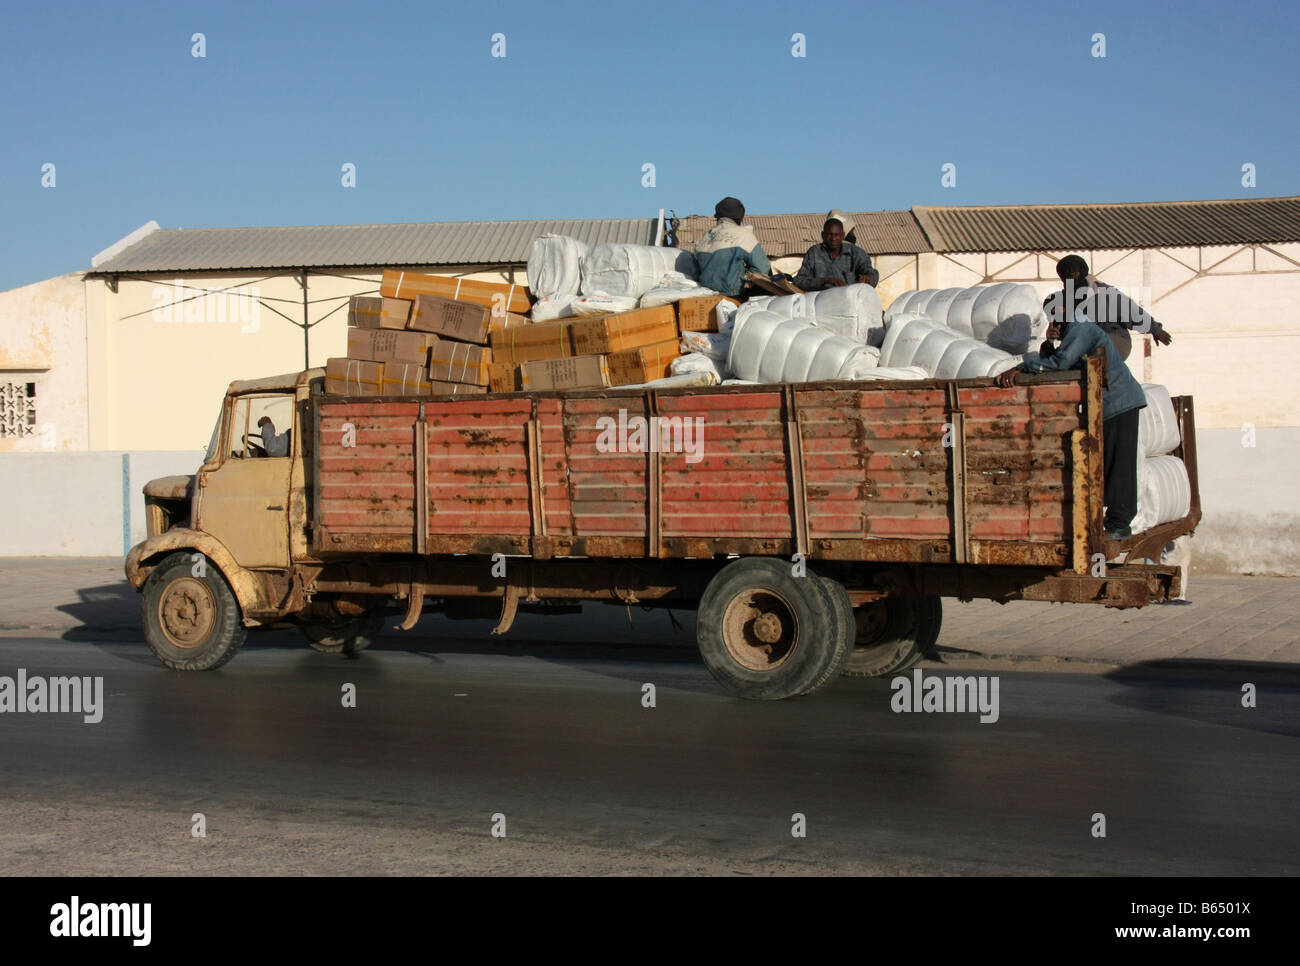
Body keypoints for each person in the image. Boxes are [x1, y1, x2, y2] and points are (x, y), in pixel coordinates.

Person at [996, 287, 1147, 540]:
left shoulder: (1081, 328)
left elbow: (1060, 364)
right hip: (1106, 404)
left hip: (1119, 401)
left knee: (1119, 464)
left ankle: (1120, 524)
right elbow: (1057, 358)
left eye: (1053, 313)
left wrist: (1023, 369)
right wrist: (1049, 343)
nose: (1051, 319)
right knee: (1107, 462)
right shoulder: (1072, 330)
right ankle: (1111, 520)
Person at [1047, 254, 1172, 361]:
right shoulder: (1061, 302)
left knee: (1093, 349)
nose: (1070, 276)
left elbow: (1131, 311)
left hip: (1114, 338)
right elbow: (1061, 330)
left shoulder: (1104, 292)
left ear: (1082, 272)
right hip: (1083, 345)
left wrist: (1156, 330)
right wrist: (1053, 335)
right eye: (1065, 274)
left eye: (1073, 272)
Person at [693, 197, 772, 297]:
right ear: (740, 216)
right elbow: (763, 268)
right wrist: (746, 277)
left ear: (717, 215)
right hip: (733, 294)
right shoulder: (743, 234)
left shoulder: (705, 236)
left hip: (706, 293)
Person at [793, 217, 878, 291]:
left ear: (843, 235)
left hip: (850, 305)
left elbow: (872, 273)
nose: (833, 238)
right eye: (829, 235)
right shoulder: (814, 253)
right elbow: (798, 281)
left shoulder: (856, 253)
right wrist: (824, 281)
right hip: (820, 305)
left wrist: (868, 279)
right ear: (823, 235)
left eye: (837, 235)